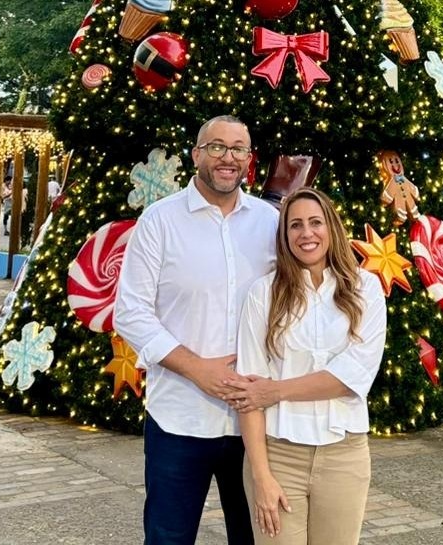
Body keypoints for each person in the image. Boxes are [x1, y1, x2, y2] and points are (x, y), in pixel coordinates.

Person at [115, 115, 278, 545]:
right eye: (217, 147)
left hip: (255, 421)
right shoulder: (160, 221)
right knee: (168, 537)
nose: (228, 157)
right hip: (179, 417)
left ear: (249, 158)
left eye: (238, 148)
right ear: (196, 155)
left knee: (257, 538)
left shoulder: (270, 222)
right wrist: (198, 369)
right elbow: (130, 312)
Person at [224, 187, 386, 544]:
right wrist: (261, 476)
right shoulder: (263, 294)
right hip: (278, 455)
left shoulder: (366, 290)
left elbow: (351, 377)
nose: (306, 233)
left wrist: (275, 391)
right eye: (295, 225)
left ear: (331, 227)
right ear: (284, 236)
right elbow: (249, 394)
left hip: (344, 456)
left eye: (315, 222)